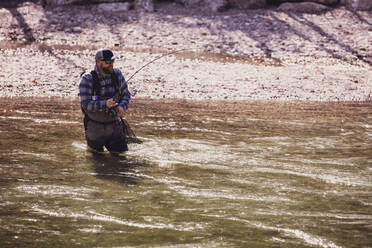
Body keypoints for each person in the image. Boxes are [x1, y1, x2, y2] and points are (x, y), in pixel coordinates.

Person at [79, 48, 131, 156]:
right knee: (97, 162)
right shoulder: (87, 78)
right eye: (108, 62)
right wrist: (105, 104)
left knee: (122, 159)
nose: (111, 64)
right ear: (98, 62)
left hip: (115, 126)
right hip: (94, 127)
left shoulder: (117, 74)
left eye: (112, 61)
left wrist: (122, 107)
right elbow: (86, 104)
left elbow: (126, 94)